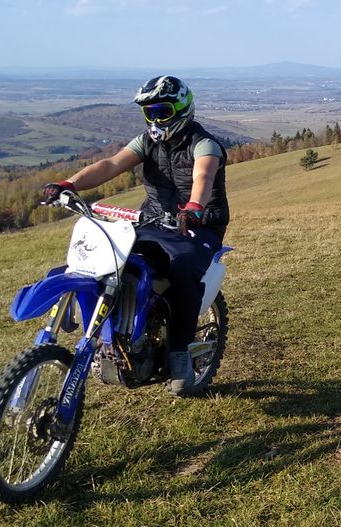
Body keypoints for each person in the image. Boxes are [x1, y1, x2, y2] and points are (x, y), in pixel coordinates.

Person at [41, 75, 229, 396]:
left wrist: (195, 207)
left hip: (198, 225)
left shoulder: (204, 144)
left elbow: (203, 174)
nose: (155, 119)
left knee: (182, 273)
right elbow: (110, 164)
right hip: (152, 221)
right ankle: (113, 331)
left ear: (182, 110)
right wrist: (68, 184)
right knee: (109, 258)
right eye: (149, 112)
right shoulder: (146, 142)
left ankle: (180, 353)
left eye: (162, 112)